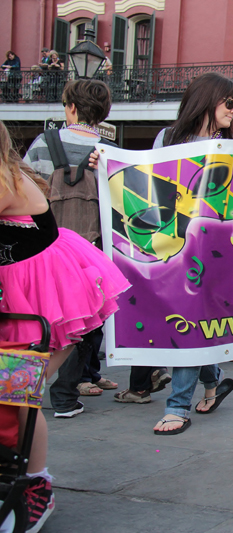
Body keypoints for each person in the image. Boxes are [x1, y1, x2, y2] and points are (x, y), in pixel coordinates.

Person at [0, 119, 130, 533]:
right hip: (20, 298)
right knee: (16, 391)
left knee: (19, 390)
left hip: (46, 302)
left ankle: (36, 484)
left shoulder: (5, 182)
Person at [150, 72, 233, 435]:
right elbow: (148, 181)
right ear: (208, 99)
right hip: (175, 246)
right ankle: (213, 381)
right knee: (192, 320)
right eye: (230, 102)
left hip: (217, 251)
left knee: (191, 317)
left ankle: (177, 406)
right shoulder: (167, 138)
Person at [23, 79, 120, 418]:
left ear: (72, 107)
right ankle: (65, 396)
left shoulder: (43, 144)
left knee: (38, 319)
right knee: (86, 320)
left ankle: (20, 388)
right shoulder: (111, 153)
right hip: (91, 251)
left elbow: (26, 188)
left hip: (45, 249)